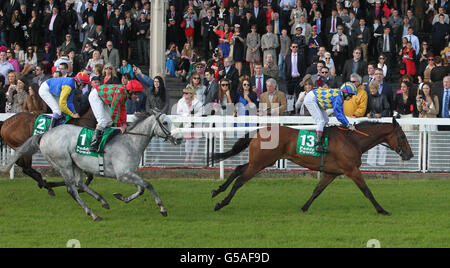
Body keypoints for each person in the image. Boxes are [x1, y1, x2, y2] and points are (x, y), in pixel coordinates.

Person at [88, 79, 144, 152]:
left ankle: (103, 143)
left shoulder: (125, 94)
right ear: (130, 91)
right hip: (95, 96)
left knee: (109, 121)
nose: (136, 97)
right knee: (103, 121)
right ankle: (93, 145)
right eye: (136, 94)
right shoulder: (120, 93)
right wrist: (118, 125)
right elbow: (114, 109)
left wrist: (123, 124)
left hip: (102, 98)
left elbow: (123, 110)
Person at [303, 82, 358, 153]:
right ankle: (317, 144)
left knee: (326, 120)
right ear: (346, 93)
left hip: (316, 100)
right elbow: (338, 115)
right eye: (351, 95)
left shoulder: (339, 95)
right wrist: (348, 125)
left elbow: (341, 113)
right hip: (311, 99)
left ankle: (321, 138)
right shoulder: (338, 97)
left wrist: (348, 124)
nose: (351, 98)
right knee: (321, 121)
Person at [176, 86, 202, 166]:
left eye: (187, 93)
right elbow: (178, 112)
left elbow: (201, 111)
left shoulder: (197, 102)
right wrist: (187, 115)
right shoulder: (181, 101)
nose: (185, 95)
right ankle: (187, 157)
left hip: (196, 124)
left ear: (191, 94)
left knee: (196, 141)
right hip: (187, 123)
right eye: (184, 93)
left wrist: (194, 116)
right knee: (188, 141)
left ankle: (193, 158)